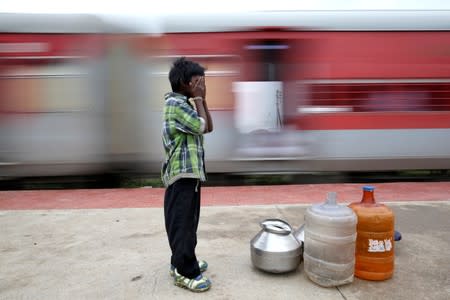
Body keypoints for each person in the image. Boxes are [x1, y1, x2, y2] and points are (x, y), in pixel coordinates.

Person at [161, 57, 213, 292]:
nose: (202, 84)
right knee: (182, 224)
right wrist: (200, 98)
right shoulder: (175, 104)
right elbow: (201, 126)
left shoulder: (186, 102)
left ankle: (180, 261)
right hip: (181, 174)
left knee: (188, 223)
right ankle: (185, 271)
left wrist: (202, 99)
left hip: (189, 175)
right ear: (183, 82)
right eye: (198, 80)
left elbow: (208, 126)